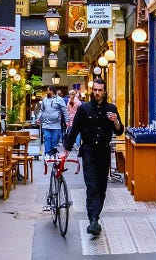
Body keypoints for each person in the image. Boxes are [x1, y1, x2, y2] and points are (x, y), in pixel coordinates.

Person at [62, 77, 124, 236]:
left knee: (102, 187)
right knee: (92, 185)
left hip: (104, 152)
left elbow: (119, 131)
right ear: (92, 90)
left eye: (100, 90)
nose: (97, 92)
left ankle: (96, 216)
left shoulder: (111, 108)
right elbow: (74, 130)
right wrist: (66, 150)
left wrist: (116, 121)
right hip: (88, 152)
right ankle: (93, 219)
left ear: (104, 92)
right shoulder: (84, 109)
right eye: (95, 90)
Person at [36, 85, 68, 156]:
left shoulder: (60, 99)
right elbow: (41, 110)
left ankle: (53, 154)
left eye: (48, 90)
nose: (47, 92)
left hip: (56, 124)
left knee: (54, 140)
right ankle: (47, 154)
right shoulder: (45, 99)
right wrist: (38, 118)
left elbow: (64, 110)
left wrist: (67, 120)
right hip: (46, 123)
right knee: (47, 139)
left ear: (51, 91)